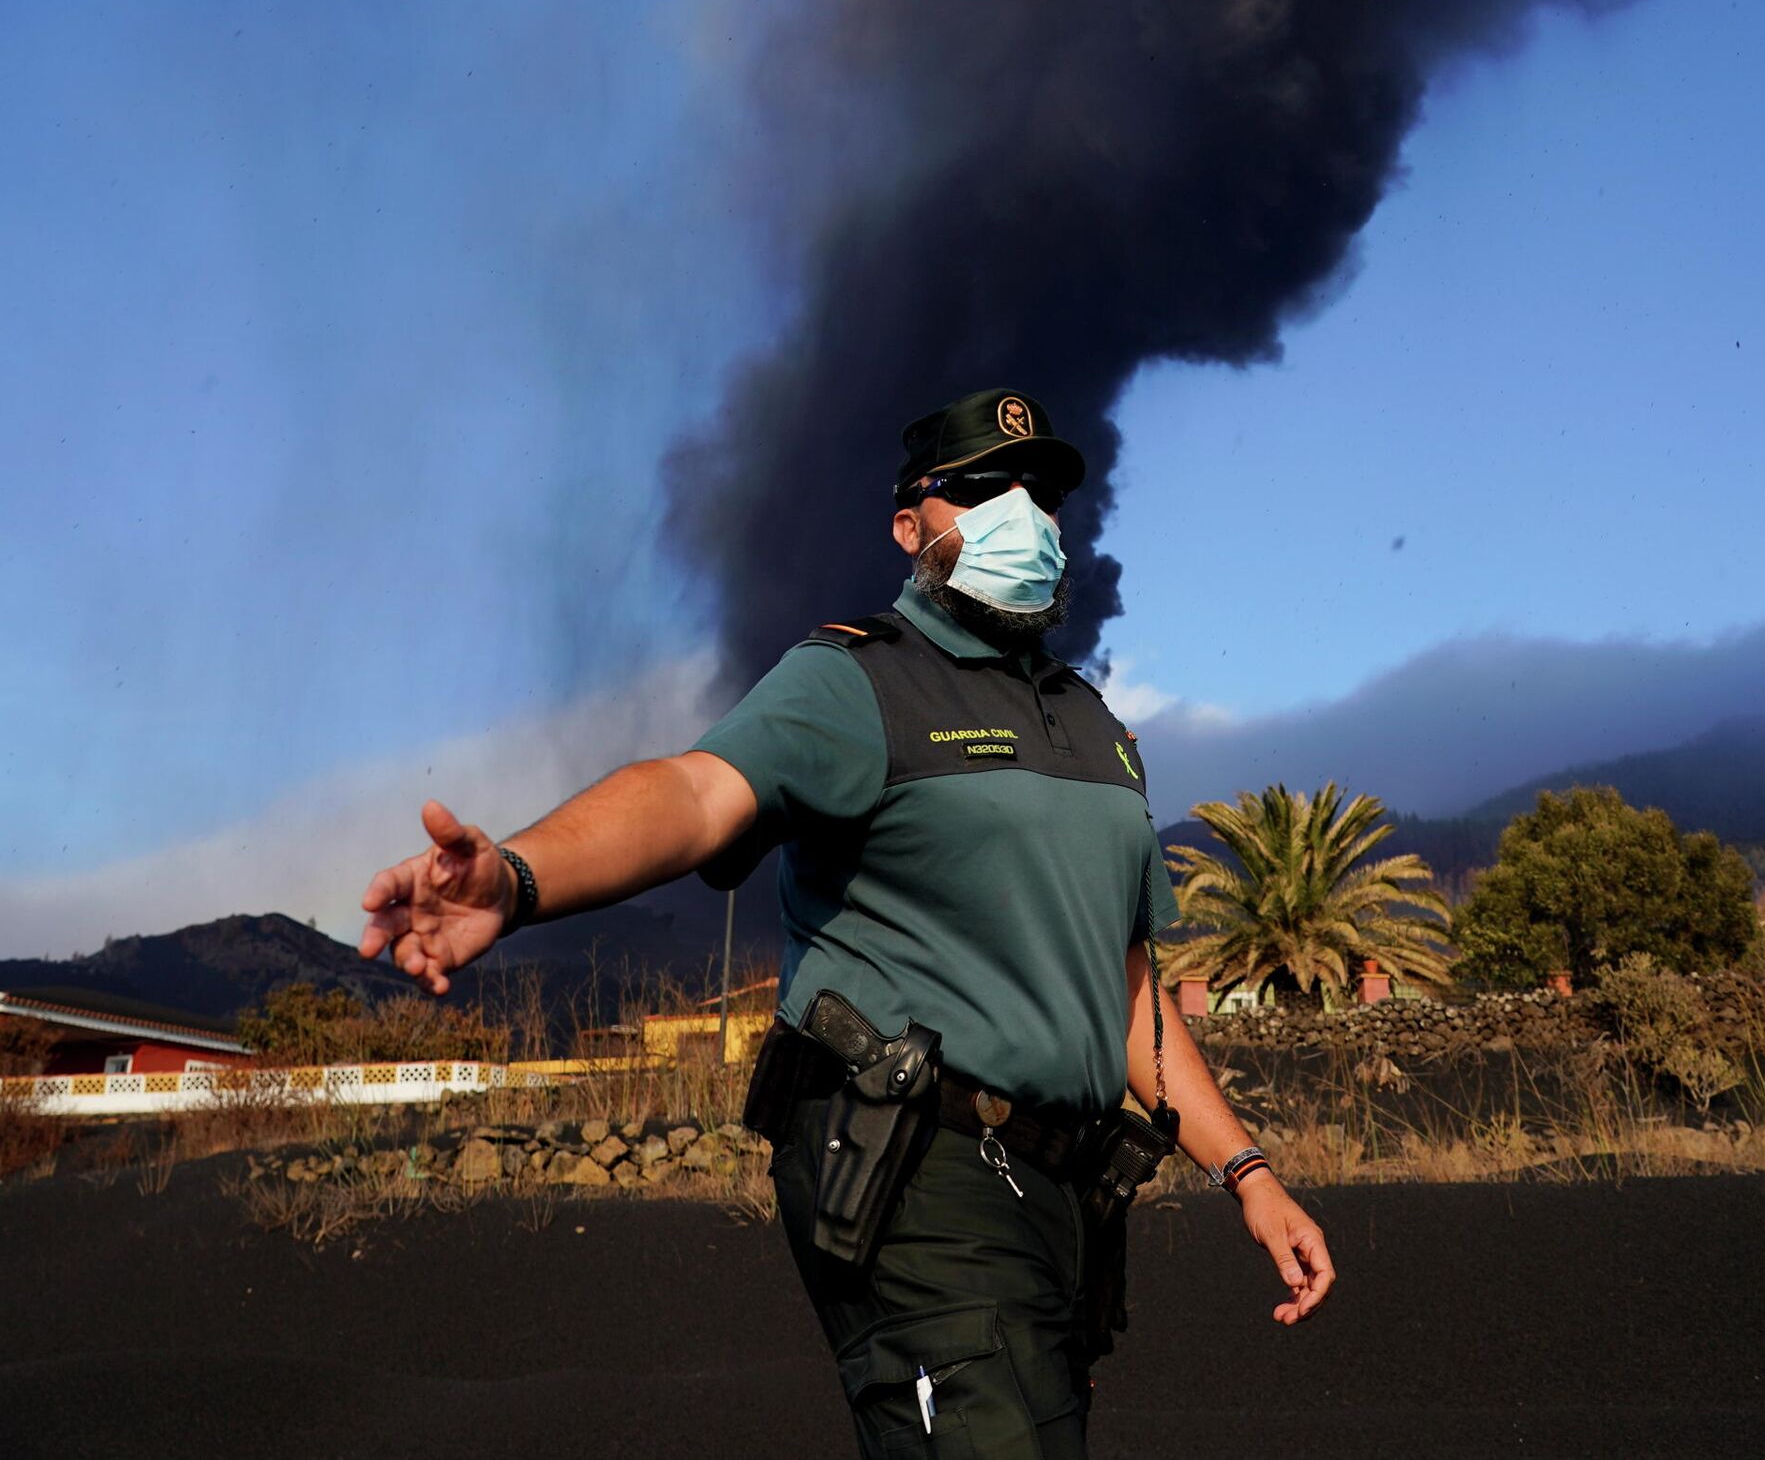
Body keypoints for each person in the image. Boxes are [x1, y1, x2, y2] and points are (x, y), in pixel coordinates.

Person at [358, 387, 1335, 1457]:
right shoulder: (856, 678)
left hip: (1062, 1196)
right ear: (910, 526)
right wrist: (517, 875)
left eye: (1040, 490)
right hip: (918, 1169)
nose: (1021, 511)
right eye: (980, 489)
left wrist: (1248, 1171)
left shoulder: (1095, 726)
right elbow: (694, 792)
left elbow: (1127, 988)